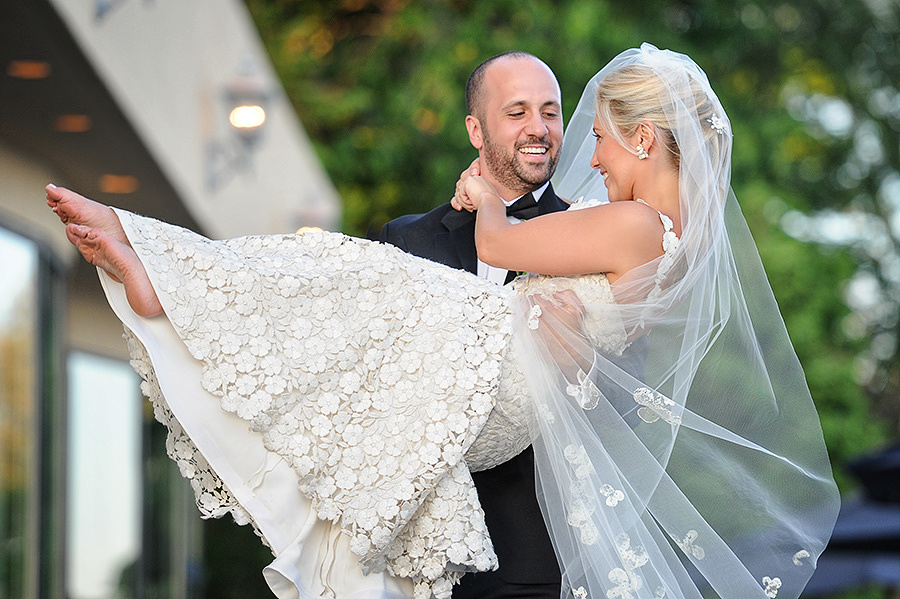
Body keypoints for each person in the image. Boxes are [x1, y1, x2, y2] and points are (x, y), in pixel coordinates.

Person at [48, 44, 839, 599]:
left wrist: (487, 205)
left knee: (350, 272)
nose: (585, 156)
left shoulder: (630, 225)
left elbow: (504, 247)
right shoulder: (673, 239)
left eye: (585, 130)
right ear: (478, 128)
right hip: (489, 394)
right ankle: (164, 278)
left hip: (501, 404)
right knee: (348, 289)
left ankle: (162, 272)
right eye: (520, 113)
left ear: (639, 135)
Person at [380, 51, 569, 599]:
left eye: (550, 112)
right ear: (475, 129)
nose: (539, 128)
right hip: (412, 559)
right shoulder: (406, 241)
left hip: (535, 561)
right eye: (517, 113)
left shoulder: (588, 235)